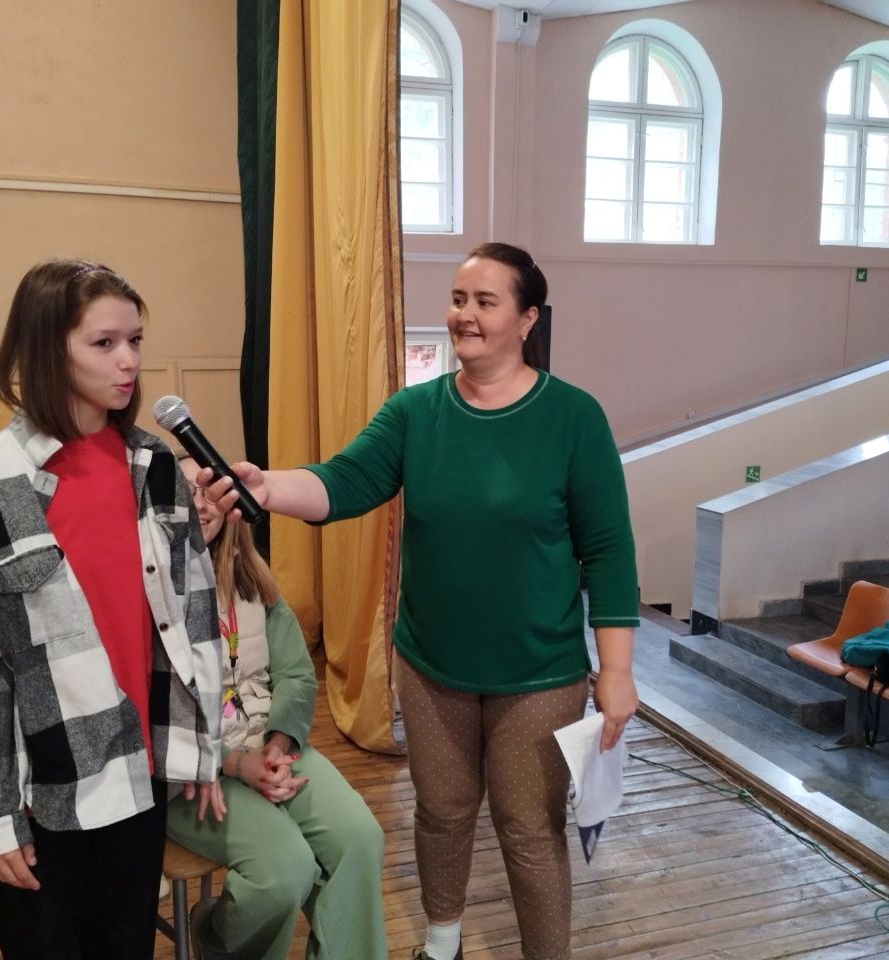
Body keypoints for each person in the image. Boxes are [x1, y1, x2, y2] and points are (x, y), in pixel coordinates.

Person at [202, 242, 640, 960]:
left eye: (485, 302)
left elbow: (610, 553)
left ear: (528, 318)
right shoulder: (416, 411)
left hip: (539, 674)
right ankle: (441, 946)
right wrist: (267, 486)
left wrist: (616, 671)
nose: (465, 315)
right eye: (459, 299)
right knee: (441, 813)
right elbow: (343, 481)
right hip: (433, 666)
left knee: (530, 830)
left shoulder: (573, 418)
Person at [0, 259, 224, 960]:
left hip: (138, 775)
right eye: (104, 343)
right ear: (46, 349)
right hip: (46, 790)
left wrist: (202, 743)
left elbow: (191, 619)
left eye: (135, 340)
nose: (129, 361)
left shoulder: (154, 464)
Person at [165, 457, 387, 960]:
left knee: (359, 840)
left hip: (268, 746)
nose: (200, 504)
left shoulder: (252, 583)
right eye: (184, 492)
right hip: (193, 771)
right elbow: (153, 713)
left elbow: (296, 675)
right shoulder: (147, 592)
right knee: (285, 870)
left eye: (208, 490)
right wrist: (235, 764)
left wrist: (277, 747)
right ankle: (218, 936)